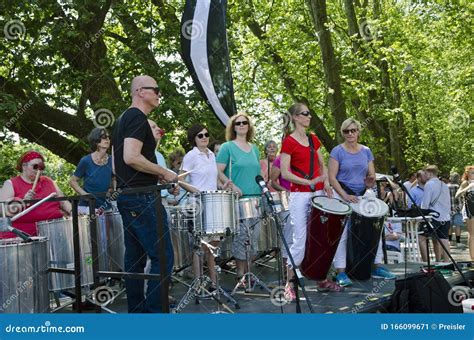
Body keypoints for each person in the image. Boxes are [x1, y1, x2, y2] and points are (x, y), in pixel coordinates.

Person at [112, 75, 178, 313]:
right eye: (156, 90)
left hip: (129, 195)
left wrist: (156, 174)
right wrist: (164, 172)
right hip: (142, 197)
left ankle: (138, 315)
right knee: (163, 257)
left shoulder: (121, 119)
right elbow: (130, 157)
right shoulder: (137, 117)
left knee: (135, 260)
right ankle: (155, 316)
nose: (160, 94)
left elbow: (116, 164)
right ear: (140, 91)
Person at [280, 103, 340, 300]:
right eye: (305, 114)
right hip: (299, 194)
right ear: (296, 117)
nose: (309, 117)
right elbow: (285, 173)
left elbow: (322, 165)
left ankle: (321, 278)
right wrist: (308, 182)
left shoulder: (313, 140)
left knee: (321, 237)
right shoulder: (288, 142)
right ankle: (289, 283)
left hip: (319, 192)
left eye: (309, 113)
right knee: (300, 239)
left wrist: (326, 182)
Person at [329, 118, 396, 287]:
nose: (350, 134)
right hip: (342, 195)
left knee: (374, 230)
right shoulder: (337, 151)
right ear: (342, 133)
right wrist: (344, 195)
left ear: (359, 131)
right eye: (346, 131)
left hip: (362, 196)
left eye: (353, 130)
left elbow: (371, 175)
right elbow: (331, 177)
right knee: (342, 235)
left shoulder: (366, 151)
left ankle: (377, 266)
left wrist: (370, 181)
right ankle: (341, 272)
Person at [216, 112, 262, 282]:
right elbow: (218, 170)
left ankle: (250, 272)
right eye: (238, 123)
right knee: (242, 237)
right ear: (233, 127)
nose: (242, 125)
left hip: (256, 198)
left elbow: (259, 172)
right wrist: (232, 185)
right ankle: (240, 274)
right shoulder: (227, 147)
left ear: (249, 126)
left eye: (245, 123)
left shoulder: (255, 149)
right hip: (238, 199)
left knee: (254, 238)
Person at [180, 124, 223, 289]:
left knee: (213, 244)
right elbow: (180, 179)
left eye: (206, 134)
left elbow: (214, 179)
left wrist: (223, 184)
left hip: (213, 202)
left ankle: (213, 282)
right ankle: (198, 284)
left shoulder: (212, 155)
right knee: (200, 245)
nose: (204, 137)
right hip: (197, 204)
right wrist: (196, 191)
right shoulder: (191, 156)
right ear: (194, 139)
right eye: (200, 135)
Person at [0, 150, 72, 239]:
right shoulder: (11, 183)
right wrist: (24, 201)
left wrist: (73, 212)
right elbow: (2, 211)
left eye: (41, 167)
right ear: (24, 166)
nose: (39, 170)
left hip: (54, 230)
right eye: (35, 166)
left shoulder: (48, 181)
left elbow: (63, 201)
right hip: (22, 235)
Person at [69, 128, 114, 214]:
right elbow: (72, 181)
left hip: (106, 207)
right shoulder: (86, 160)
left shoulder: (113, 160)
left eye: (108, 137)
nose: (107, 139)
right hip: (87, 207)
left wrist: (112, 188)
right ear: (96, 140)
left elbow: (114, 179)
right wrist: (85, 195)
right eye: (104, 137)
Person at [419, 165, 451, 262]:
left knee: (421, 238)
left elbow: (425, 204)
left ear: (430, 173)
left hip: (434, 217)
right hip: (446, 217)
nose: (424, 176)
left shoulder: (429, 184)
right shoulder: (444, 185)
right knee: (444, 240)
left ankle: (425, 263)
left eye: (425, 173)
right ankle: (446, 262)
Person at [456, 166, 474, 259]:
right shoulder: (465, 183)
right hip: (470, 210)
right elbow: (457, 195)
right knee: (472, 234)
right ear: (467, 174)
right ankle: (472, 257)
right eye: (472, 173)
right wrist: (468, 188)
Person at [447, 172, 464, 248]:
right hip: (457, 209)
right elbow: (460, 199)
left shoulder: (446, 186)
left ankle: (449, 241)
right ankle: (458, 241)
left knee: (449, 225)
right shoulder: (458, 187)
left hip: (448, 209)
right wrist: (460, 208)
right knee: (458, 225)